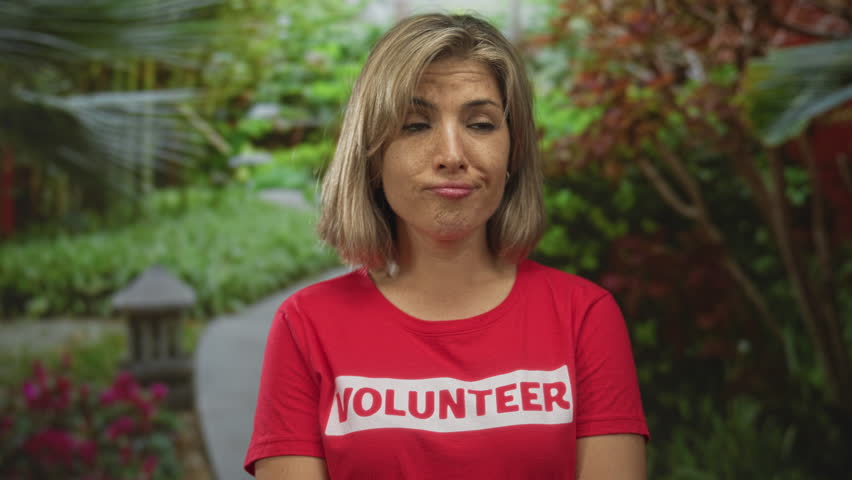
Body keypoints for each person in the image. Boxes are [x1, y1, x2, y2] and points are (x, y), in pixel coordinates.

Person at [244, 13, 649, 480]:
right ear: (372, 155)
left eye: (480, 124)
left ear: (513, 151)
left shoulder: (584, 317)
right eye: (416, 126)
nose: (452, 155)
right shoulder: (307, 326)